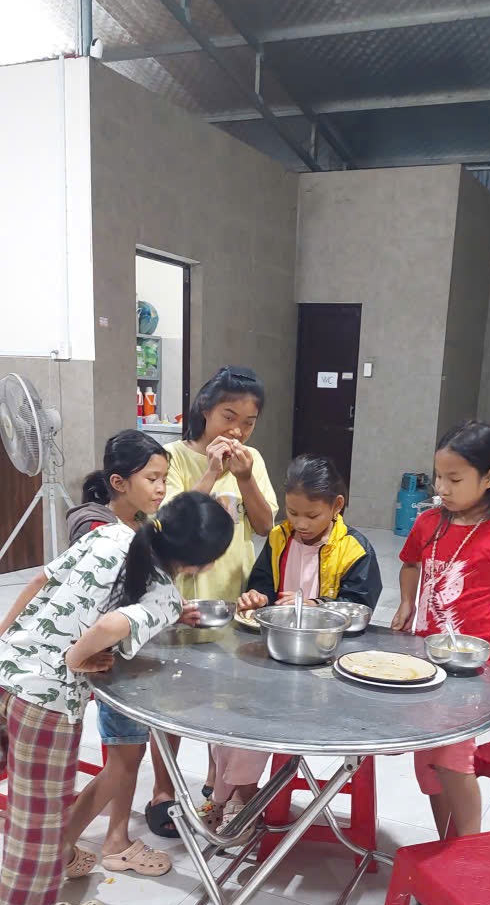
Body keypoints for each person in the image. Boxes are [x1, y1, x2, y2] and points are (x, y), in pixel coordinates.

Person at [0, 491, 233, 905]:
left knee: (20, 799)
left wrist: (6, 638)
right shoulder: (163, 595)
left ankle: (35, 878)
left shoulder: (108, 534)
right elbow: (110, 627)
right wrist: (76, 656)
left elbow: (42, 581)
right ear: (203, 564)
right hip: (46, 703)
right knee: (39, 817)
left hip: (7, 669)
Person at [210, 454, 383, 839]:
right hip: (278, 657)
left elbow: (360, 609)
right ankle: (226, 792)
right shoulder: (279, 538)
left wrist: (317, 606)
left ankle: (243, 797)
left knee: (256, 717)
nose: (301, 524)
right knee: (228, 708)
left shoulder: (354, 549)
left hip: (325, 671)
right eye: (292, 513)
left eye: (312, 515)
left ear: (337, 506)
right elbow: (261, 587)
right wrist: (256, 598)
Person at [146, 365, 278, 838]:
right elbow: (167, 526)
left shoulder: (252, 460)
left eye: (248, 422)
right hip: (182, 597)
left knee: (225, 693)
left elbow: (264, 525)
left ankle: (215, 784)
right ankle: (163, 790)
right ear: (205, 409)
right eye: (228, 416)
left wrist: (244, 479)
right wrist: (211, 473)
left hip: (232, 594)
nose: (237, 431)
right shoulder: (173, 457)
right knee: (172, 697)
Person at [391, 420, 490, 841]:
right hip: (426, 657)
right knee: (429, 762)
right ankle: (449, 845)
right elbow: (410, 565)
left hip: (476, 666)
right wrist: (407, 601)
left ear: (489, 478)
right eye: (439, 477)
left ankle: (469, 849)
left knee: (453, 759)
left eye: (454, 479)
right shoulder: (429, 523)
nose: (442, 488)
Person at [65, 431, 200, 878]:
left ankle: (112, 839)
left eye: (164, 478)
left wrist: (171, 610)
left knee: (126, 756)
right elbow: (110, 606)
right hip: (108, 661)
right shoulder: (97, 528)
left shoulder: (138, 524)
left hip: (125, 656)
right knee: (123, 760)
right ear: (119, 482)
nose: (162, 488)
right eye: (153, 479)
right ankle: (70, 846)